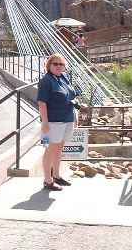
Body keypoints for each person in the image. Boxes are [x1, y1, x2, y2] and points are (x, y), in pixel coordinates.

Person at [37, 53, 82, 191]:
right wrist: (45, 122)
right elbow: (42, 102)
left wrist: (75, 117)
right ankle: (47, 180)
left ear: (64, 66)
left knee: (60, 147)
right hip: (54, 121)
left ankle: (56, 175)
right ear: (49, 65)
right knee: (50, 149)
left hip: (67, 118)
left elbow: (72, 98)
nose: (58, 66)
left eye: (61, 64)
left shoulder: (63, 77)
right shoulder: (46, 81)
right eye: (55, 64)